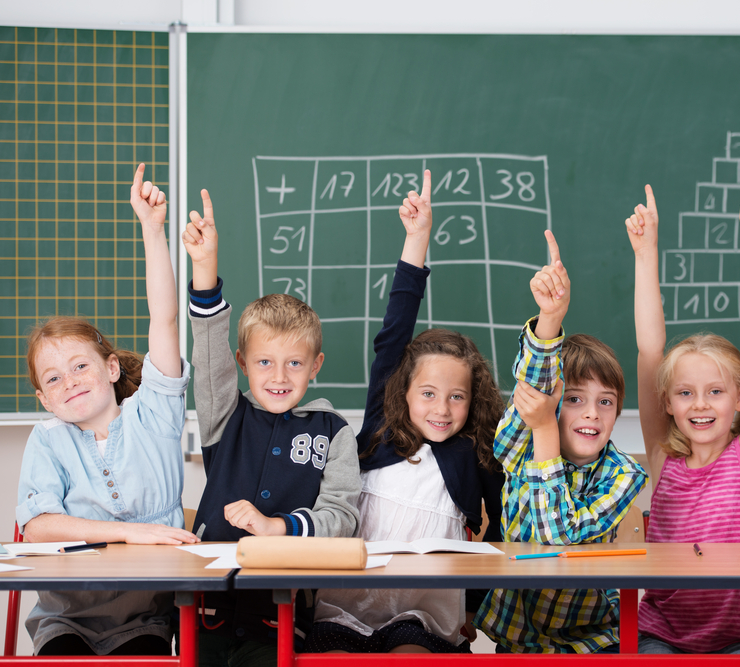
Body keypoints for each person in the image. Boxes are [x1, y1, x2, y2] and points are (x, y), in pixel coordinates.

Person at [305, 170, 505, 654]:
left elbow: (497, 531)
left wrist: (476, 607)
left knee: (411, 656)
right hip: (349, 604)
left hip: (426, 611)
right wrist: (417, 240)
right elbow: (394, 331)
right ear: (403, 391)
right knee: (328, 657)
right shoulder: (380, 429)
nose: (442, 409)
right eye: (429, 394)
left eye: (457, 397)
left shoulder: (474, 451)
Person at [16, 164, 199, 656]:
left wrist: (152, 227)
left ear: (113, 368)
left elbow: (163, 318)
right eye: (53, 379)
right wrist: (128, 534)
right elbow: (38, 526)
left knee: (140, 655)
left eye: (80, 366)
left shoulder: (154, 416)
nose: (69, 381)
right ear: (45, 400)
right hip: (65, 620)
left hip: (146, 619)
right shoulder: (47, 440)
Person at [181, 188, 361, 665]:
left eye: (294, 363)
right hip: (206, 610)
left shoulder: (334, 431)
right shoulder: (225, 414)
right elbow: (208, 351)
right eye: (263, 362)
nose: (279, 377)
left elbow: (343, 518)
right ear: (242, 363)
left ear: (316, 365)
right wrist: (205, 265)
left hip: (283, 614)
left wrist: (276, 528)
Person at [628, 176, 740, 654]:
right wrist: (646, 254)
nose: (699, 404)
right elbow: (648, 350)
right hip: (664, 637)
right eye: (684, 393)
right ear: (667, 403)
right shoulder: (663, 458)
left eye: (715, 391)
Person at [474, 231, 648, 653]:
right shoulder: (519, 447)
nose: (591, 413)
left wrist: (547, 430)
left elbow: (559, 541)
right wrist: (549, 318)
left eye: (605, 402)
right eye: (574, 399)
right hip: (519, 640)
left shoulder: (624, 475)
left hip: (593, 639)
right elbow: (534, 387)